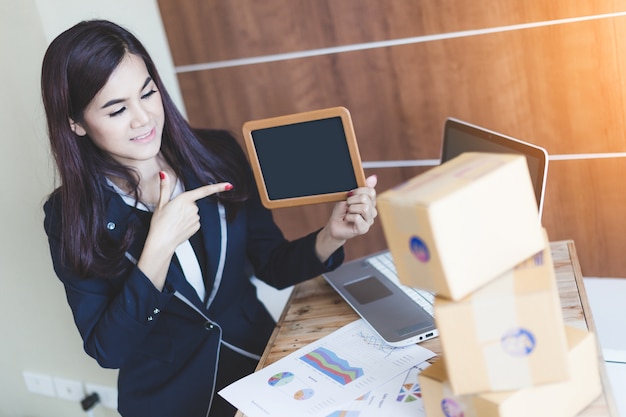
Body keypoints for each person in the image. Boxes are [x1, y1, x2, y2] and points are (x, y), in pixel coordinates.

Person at [41, 19, 378, 417]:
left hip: (265, 373)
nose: (143, 118)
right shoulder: (70, 216)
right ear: (75, 123)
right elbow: (108, 349)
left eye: (148, 93)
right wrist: (158, 250)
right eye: (117, 110)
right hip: (173, 403)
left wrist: (331, 235)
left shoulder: (216, 154)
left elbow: (271, 264)